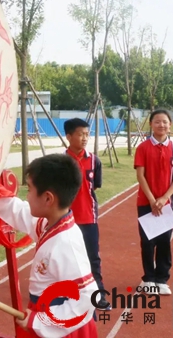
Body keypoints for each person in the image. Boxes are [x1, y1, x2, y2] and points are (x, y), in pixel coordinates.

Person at [0, 154, 98, 337]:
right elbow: (23, 214)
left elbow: (86, 297)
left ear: (48, 199)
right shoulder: (50, 223)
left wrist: (40, 321)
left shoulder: (66, 243)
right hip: (43, 314)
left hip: (62, 328)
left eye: (29, 189)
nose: (27, 196)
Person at [134, 109, 173, 295]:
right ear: (151, 124)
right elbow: (140, 175)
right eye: (157, 121)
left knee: (165, 241)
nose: (161, 125)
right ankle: (148, 278)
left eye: (165, 122)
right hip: (145, 202)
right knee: (148, 241)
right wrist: (151, 199)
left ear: (170, 124)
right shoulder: (143, 148)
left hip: (168, 204)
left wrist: (164, 198)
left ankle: (162, 279)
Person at [63, 118, 110, 310]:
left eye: (86, 134)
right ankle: (66, 294)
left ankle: (98, 294)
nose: (84, 138)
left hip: (89, 219)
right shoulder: (61, 163)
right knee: (66, 258)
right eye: (80, 134)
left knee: (92, 258)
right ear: (69, 136)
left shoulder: (94, 160)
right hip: (66, 220)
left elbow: (95, 187)